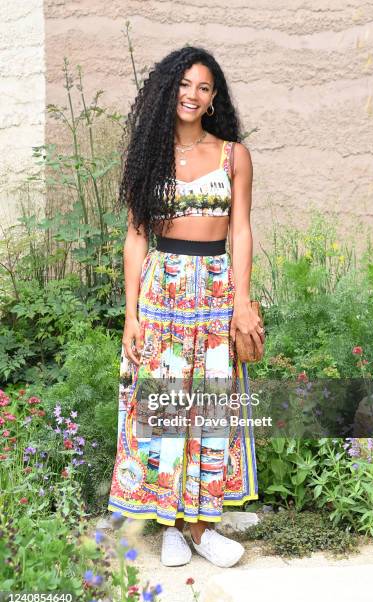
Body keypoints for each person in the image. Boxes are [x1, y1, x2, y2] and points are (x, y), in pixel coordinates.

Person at [108, 46, 264, 568]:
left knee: (212, 408)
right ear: (167, 90)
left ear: (214, 97)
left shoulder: (233, 156)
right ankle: (173, 526)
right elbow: (135, 238)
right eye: (183, 85)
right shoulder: (147, 157)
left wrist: (242, 301)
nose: (191, 95)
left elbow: (240, 230)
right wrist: (131, 313)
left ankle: (204, 525)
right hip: (163, 292)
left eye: (202, 87)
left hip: (216, 292)